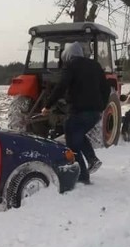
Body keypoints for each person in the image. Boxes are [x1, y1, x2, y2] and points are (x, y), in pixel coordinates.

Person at [42, 42, 110, 184]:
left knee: (72, 139)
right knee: (78, 134)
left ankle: (82, 176)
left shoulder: (71, 66)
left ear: (68, 55)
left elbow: (61, 86)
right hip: (96, 112)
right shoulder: (95, 65)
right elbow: (106, 89)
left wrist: (47, 106)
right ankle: (92, 159)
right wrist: (101, 106)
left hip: (80, 110)